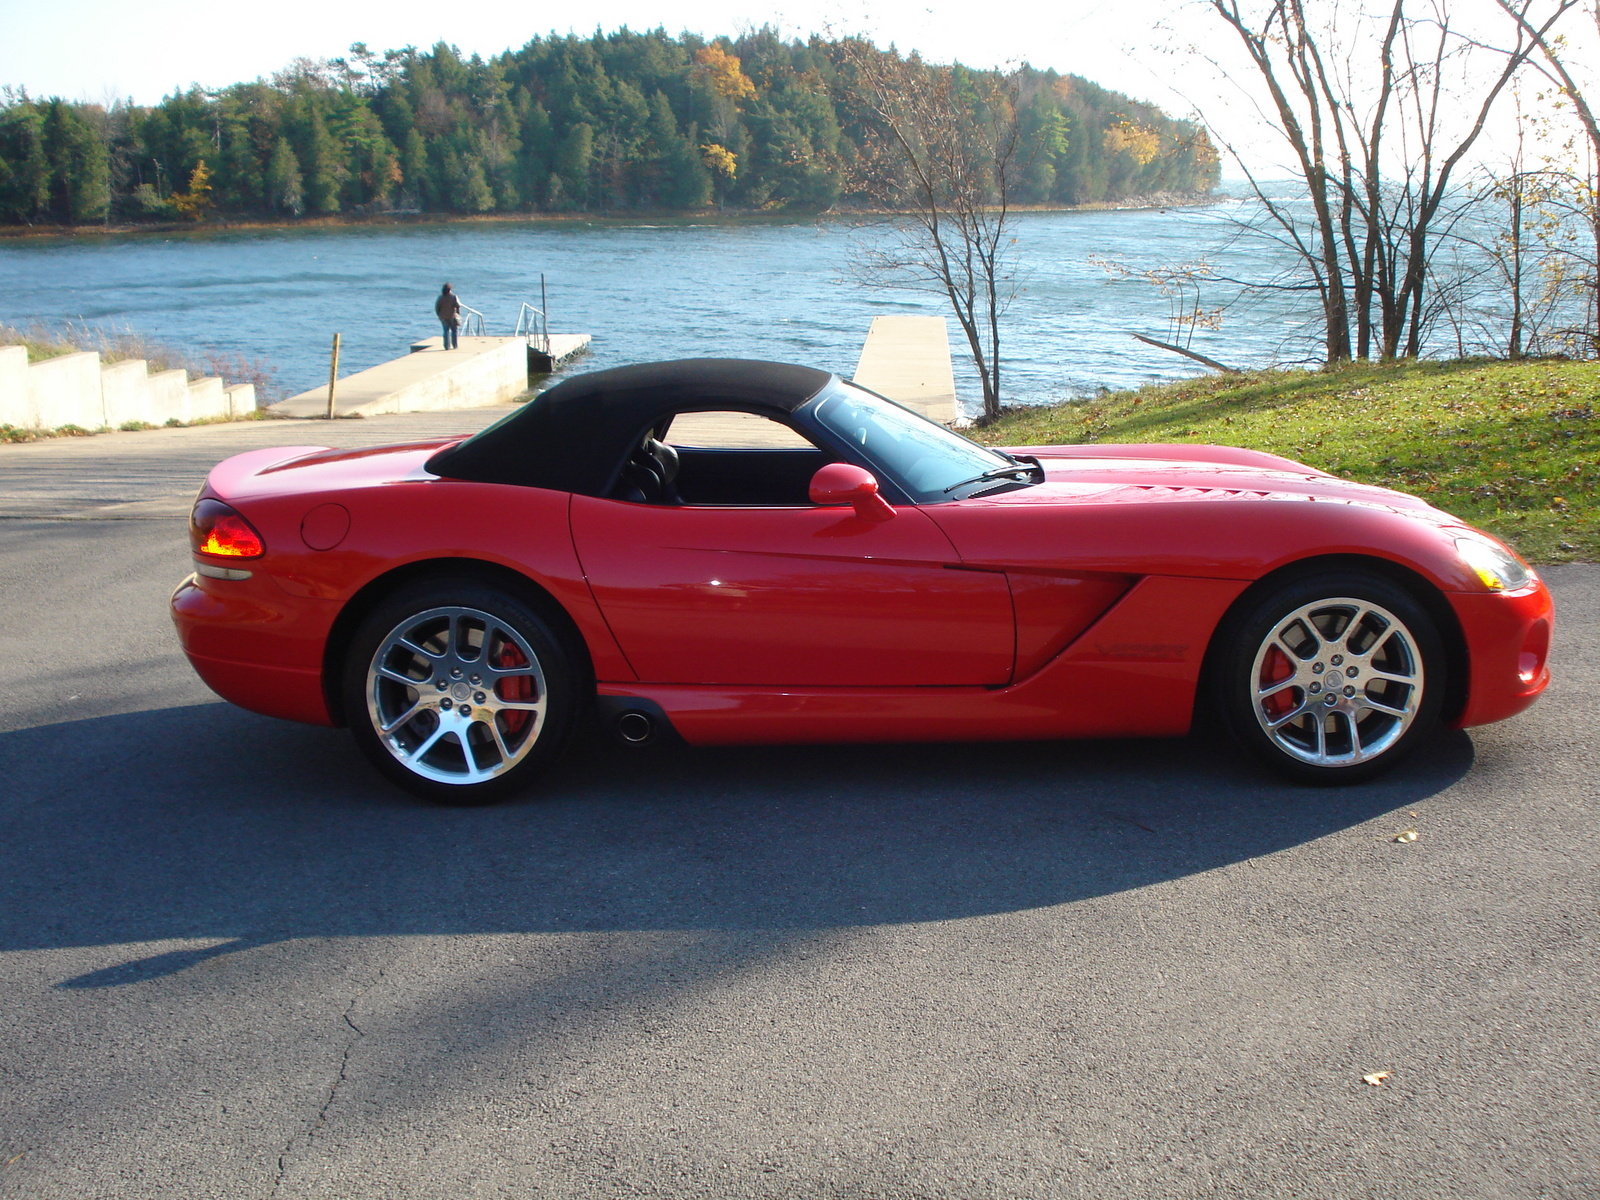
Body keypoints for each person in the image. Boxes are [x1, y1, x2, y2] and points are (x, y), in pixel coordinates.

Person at [435, 283, 462, 350]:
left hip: (443, 317)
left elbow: (437, 307)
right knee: (454, 331)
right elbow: (458, 305)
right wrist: (458, 314)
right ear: (450, 289)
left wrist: (439, 315)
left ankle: (446, 346)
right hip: (452, 316)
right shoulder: (453, 297)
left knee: (446, 331)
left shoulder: (440, 297)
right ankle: (454, 345)